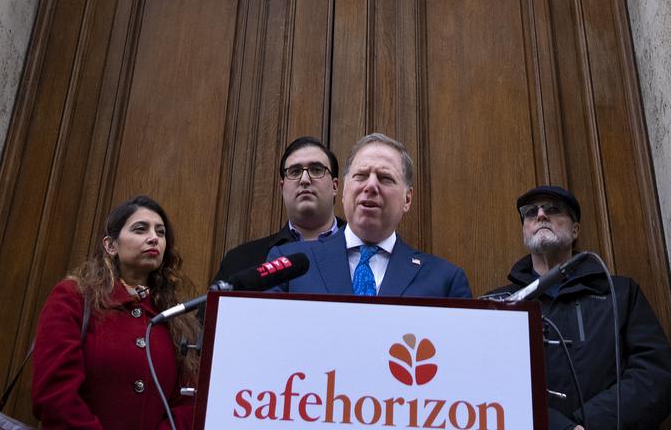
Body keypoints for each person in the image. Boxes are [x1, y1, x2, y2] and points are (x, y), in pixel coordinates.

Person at [486, 184, 671, 430]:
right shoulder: (498, 304)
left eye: (553, 209)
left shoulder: (621, 293)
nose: (540, 215)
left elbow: (655, 374)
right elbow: (487, 382)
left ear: (575, 230)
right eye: (530, 212)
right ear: (524, 231)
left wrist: (590, 423)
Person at [32, 195, 198, 430]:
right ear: (111, 245)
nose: (153, 238)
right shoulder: (73, 297)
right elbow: (54, 394)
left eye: (160, 233)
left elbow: (188, 402)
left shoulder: (176, 317)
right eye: (140, 229)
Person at [268, 133, 471, 298]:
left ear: (407, 199)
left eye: (385, 178)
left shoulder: (445, 281)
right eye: (361, 176)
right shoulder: (288, 262)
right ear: (344, 189)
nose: (371, 185)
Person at [214, 136, 344, 283]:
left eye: (316, 170)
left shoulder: (366, 252)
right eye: (295, 172)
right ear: (283, 188)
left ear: (334, 187)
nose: (305, 179)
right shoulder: (241, 262)